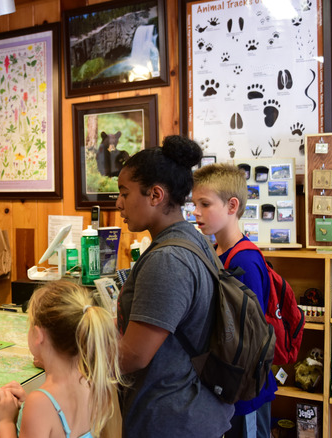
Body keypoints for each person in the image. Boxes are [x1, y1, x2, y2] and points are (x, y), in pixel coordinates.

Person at [115, 135, 234, 437]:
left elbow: (132, 356)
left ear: (155, 195)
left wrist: (70, 356)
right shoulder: (194, 240)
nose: (118, 204)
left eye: (124, 193)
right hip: (195, 410)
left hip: (171, 419)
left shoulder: (168, 259)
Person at [192, 163, 277, 438]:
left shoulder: (245, 260)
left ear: (232, 206)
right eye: (194, 204)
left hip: (244, 390)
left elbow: (251, 337)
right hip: (224, 384)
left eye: (204, 204)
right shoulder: (216, 251)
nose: (195, 212)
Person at [0, 280, 122, 438]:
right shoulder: (93, 385)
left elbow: (45, 412)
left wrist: (5, 422)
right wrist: (28, 408)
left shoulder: (39, 404)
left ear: (38, 335)